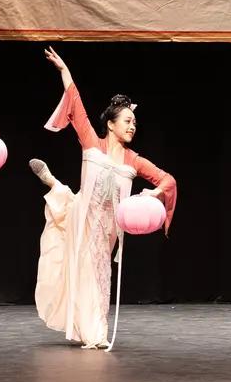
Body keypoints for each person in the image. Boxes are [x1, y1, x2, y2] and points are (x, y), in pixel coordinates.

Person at [29, 47, 176, 349]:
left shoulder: (134, 160)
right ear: (110, 124)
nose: (132, 125)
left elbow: (167, 180)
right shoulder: (91, 145)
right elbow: (76, 103)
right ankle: (94, 333)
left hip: (108, 231)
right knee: (80, 266)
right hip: (83, 221)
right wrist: (63, 70)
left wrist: (154, 192)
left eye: (135, 121)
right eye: (127, 120)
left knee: (100, 274)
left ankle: (93, 331)